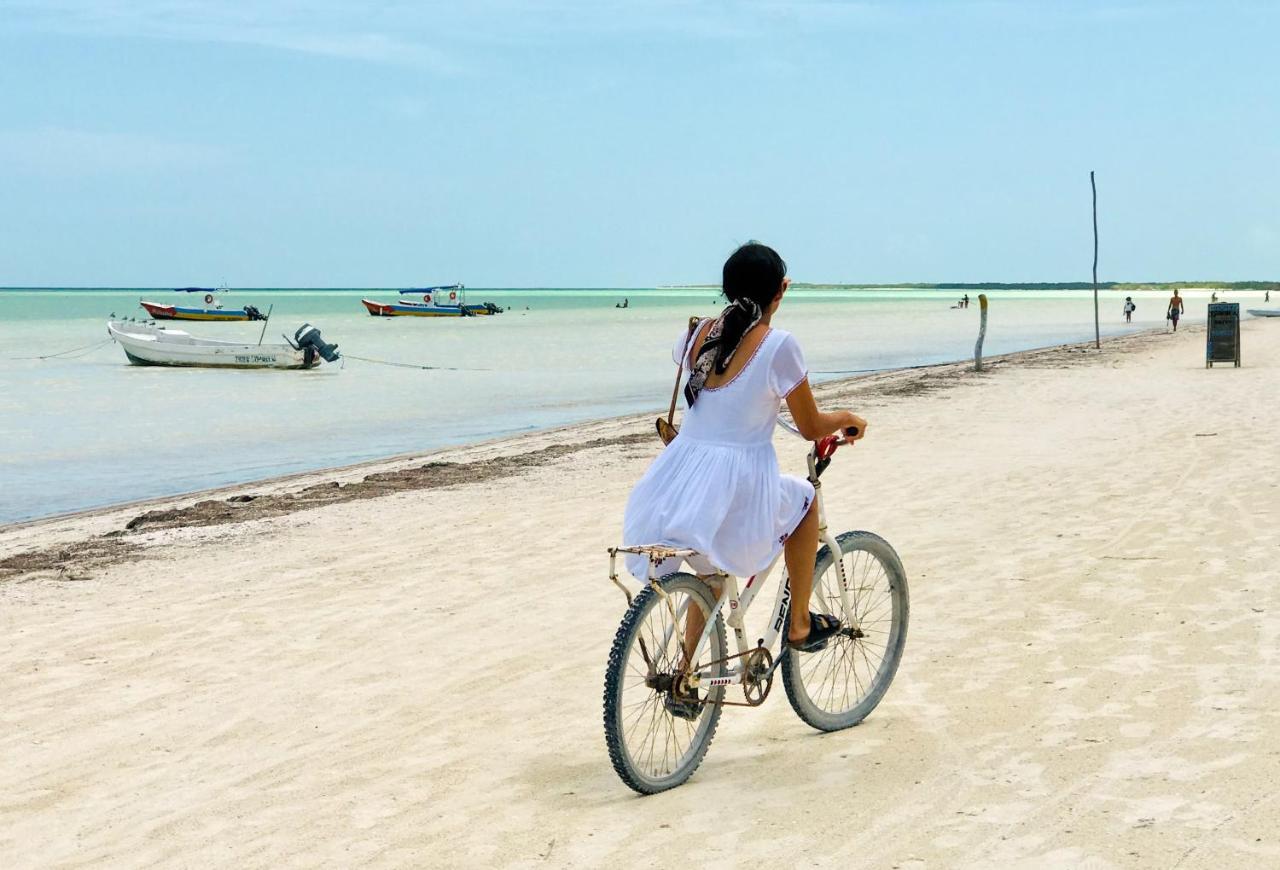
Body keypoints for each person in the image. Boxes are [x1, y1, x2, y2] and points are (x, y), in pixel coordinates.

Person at [623, 243, 867, 705]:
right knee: (805, 501)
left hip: (682, 473)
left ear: (727, 289)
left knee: (709, 569)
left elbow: (718, 395)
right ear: (782, 290)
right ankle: (798, 623)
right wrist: (846, 418)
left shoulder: (697, 333)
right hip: (737, 481)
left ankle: (686, 676)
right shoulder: (779, 346)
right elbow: (812, 426)